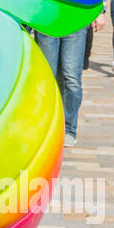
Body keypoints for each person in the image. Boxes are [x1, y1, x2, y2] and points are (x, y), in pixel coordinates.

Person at [34, 13, 105, 148]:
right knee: (47, 77)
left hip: (75, 18)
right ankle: (48, 127)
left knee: (72, 78)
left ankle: (69, 130)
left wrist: (100, 11)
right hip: (46, 16)